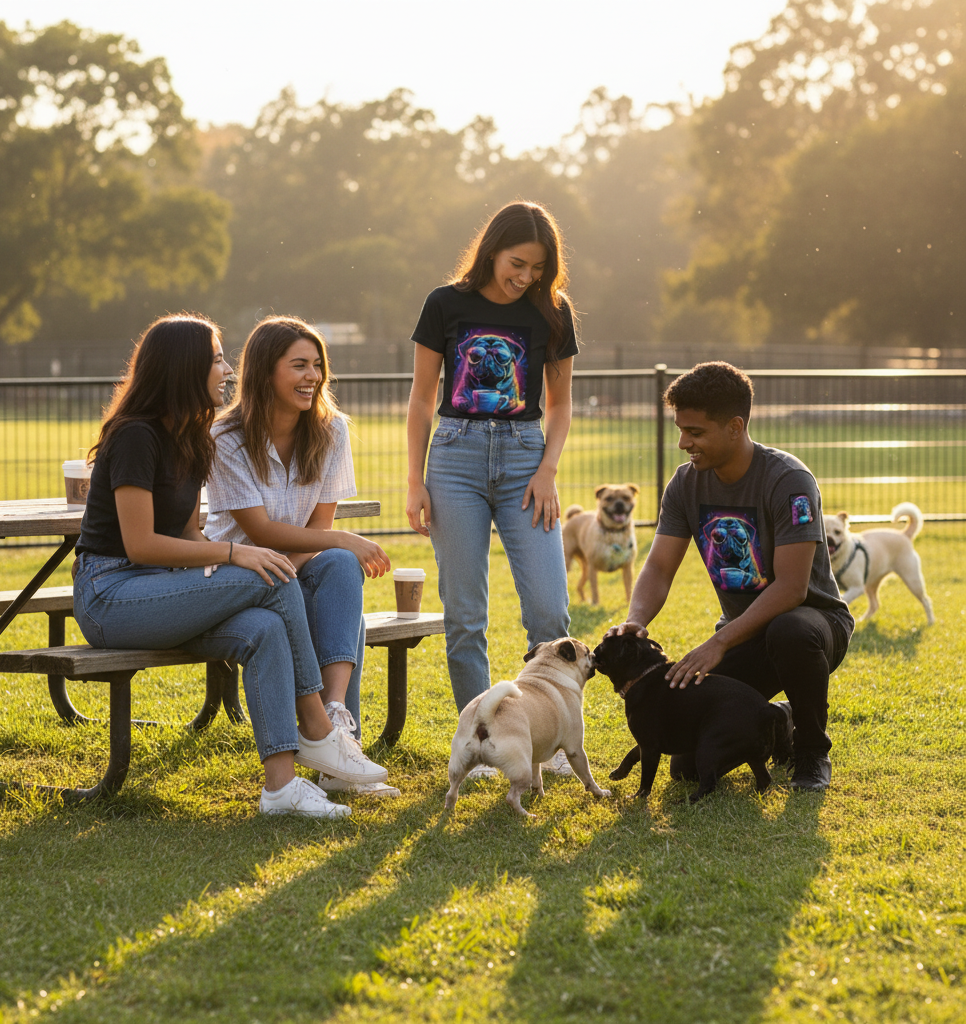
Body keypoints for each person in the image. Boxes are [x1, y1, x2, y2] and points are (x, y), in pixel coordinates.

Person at [72, 313, 388, 819]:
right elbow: (139, 545)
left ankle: (281, 789)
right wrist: (233, 554)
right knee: (270, 574)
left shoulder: (192, 437)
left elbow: (188, 533)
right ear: (183, 368)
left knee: (263, 624)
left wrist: (217, 572)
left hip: (161, 589)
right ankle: (319, 728)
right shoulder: (135, 435)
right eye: (216, 358)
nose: (226, 368)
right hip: (110, 594)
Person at [606, 361, 854, 791]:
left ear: (735, 427)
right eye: (681, 430)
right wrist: (637, 620)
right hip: (744, 636)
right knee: (685, 766)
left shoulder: (789, 482)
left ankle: (811, 752)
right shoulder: (685, 484)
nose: (684, 443)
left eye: (696, 432)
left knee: (790, 630)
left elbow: (793, 588)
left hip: (813, 626)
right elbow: (660, 566)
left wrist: (718, 643)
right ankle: (779, 718)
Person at [405, 200, 578, 774]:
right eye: (517, 263)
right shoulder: (445, 303)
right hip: (454, 460)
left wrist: (548, 469)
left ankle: (546, 742)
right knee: (464, 618)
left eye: (537, 268)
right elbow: (422, 399)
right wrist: (415, 479)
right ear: (492, 250)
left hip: (528, 461)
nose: (526, 277)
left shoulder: (552, 312)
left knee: (550, 612)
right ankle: (480, 742)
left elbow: (559, 403)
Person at [205, 315, 398, 798]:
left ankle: (331, 723)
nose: (312, 376)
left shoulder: (332, 432)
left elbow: (318, 532)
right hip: (241, 576)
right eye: (298, 366)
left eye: (317, 365)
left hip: (295, 567)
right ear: (265, 373)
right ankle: (338, 747)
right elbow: (260, 532)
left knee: (338, 567)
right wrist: (344, 540)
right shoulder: (225, 439)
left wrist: (337, 544)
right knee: (342, 573)